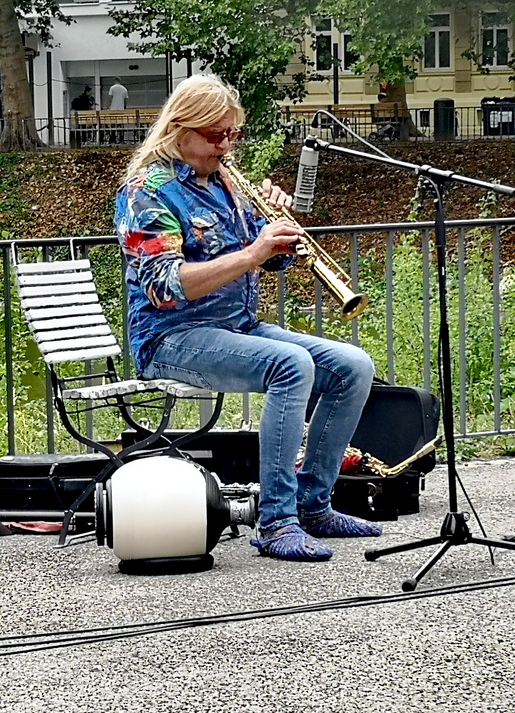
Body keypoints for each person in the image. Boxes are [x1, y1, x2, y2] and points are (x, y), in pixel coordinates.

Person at [113, 75, 379, 560]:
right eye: (217, 135)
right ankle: (278, 522)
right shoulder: (146, 191)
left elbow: (271, 260)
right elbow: (165, 285)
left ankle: (313, 504)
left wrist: (278, 233)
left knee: (353, 365)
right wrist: (253, 252)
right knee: (290, 365)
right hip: (171, 336)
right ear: (179, 129)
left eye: (234, 134)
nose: (227, 145)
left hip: (236, 326)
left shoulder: (227, 183)